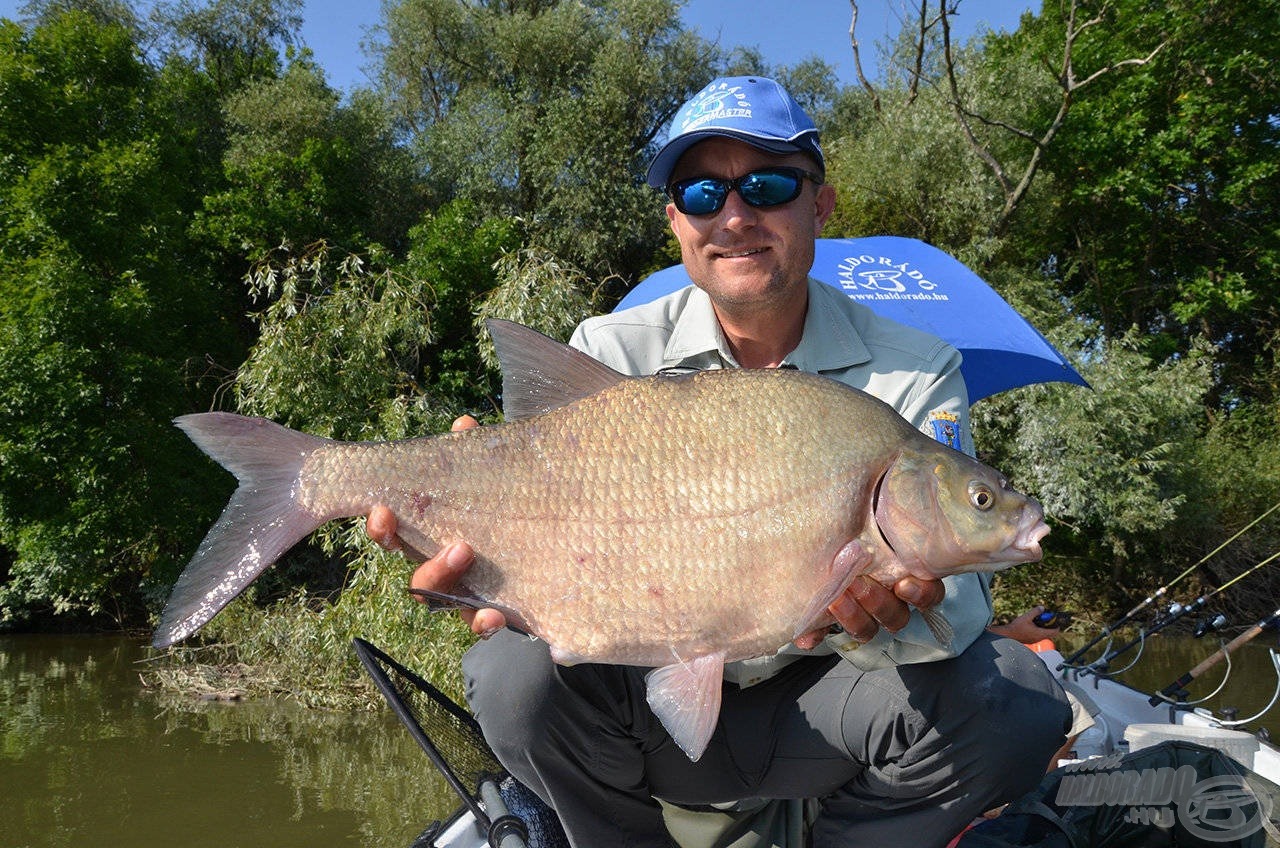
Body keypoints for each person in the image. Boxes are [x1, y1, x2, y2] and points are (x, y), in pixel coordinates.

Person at [367, 75, 1070, 848]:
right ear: (675, 220)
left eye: (767, 185)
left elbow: (957, 619)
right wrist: (484, 555)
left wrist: (870, 620)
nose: (734, 216)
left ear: (820, 206)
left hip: (831, 712)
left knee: (1019, 700)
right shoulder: (611, 349)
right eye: (701, 193)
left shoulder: (915, 370)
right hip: (645, 708)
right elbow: (549, 547)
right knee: (510, 671)